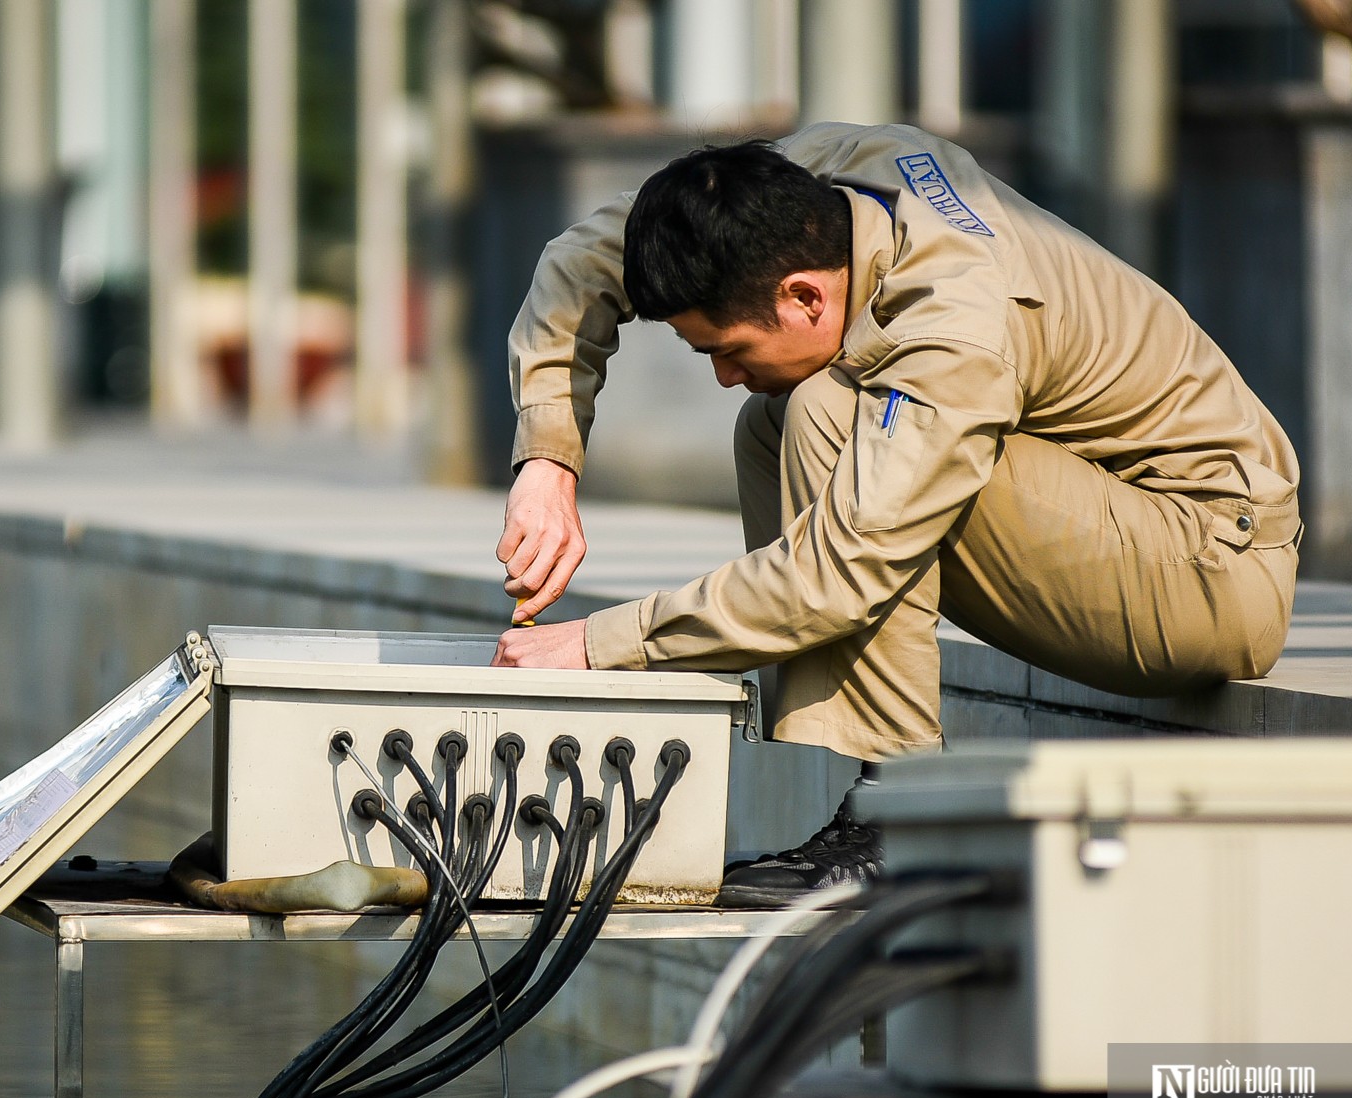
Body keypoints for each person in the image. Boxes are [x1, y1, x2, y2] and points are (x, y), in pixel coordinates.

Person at [491, 123, 1301, 908]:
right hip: (1127, 519)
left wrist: (602, 644)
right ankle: (844, 798)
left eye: (725, 349)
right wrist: (548, 464)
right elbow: (581, 257)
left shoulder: (956, 333)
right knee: (785, 415)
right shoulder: (835, 177)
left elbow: (841, 571)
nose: (725, 377)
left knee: (829, 419)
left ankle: (903, 820)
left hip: (1210, 568)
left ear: (804, 295)